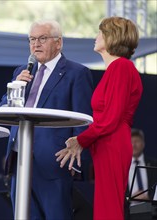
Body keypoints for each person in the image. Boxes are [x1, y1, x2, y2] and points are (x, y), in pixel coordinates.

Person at [0, 20, 93, 219]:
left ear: (59, 43)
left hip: (54, 163)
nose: (36, 44)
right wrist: (16, 86)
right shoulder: (21, 72)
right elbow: (2, 109)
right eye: (32, 39)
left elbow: (84, 119)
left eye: (42, 38)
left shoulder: (76, 73)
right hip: (19, 159)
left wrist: (76, 160)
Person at [55, 16, 143, 220]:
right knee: (105, 207)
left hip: (112, 143)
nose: (96, 37)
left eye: (101, 33)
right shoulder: (115, 69)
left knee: (109, 209)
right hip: (106, 143)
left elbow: (111, 118)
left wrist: (81, 140)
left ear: (112, 37)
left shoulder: (121, 67)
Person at [128, 128, 157, 202]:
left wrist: (149, 198)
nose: (134, 145)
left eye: (136, 141)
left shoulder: (154, 165)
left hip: (150, 211)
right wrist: (131, 198)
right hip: (128, 211)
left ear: (143, 143)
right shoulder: (121, 167)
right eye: (131, 142)